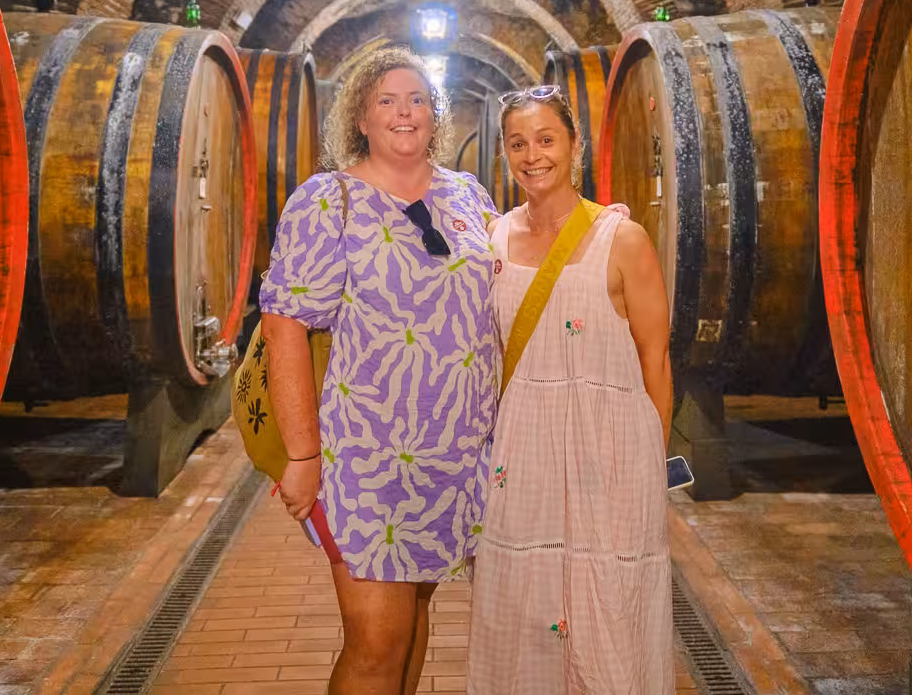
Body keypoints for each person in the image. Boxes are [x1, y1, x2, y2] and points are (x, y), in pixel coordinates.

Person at [259, 47, 501, 695]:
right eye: (387, 100)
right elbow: (284, 324)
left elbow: (517, 280)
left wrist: (594, 230)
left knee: (415, 620)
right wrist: (302, 455)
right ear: (362, 117)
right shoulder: (328, 201)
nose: (404, 112)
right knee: (374, 643)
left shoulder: (468, 196)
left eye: (417, 98)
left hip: (453, 455)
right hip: (365, 458)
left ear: (435, 115)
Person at [468, 84, 674, 694]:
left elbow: (655, 359)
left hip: (606, 453)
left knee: (606, 601)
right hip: (523, 450)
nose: (533, 155)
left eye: (547, 139)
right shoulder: (495, 238)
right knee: (523, 606)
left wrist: (651, 467)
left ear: (575, 145)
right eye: (518, 143)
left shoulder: (622, 239)